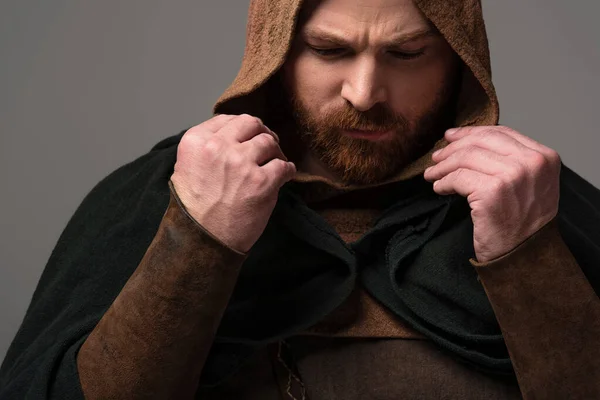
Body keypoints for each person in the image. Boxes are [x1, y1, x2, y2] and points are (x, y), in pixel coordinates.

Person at [1, 0, 599, 398]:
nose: (365, 93)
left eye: (407, 53)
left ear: (460, 63)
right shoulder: (163, 194)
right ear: (277, 53)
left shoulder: (534, 201)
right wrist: (200, 238)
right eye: (330, 50)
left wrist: (527, 257)